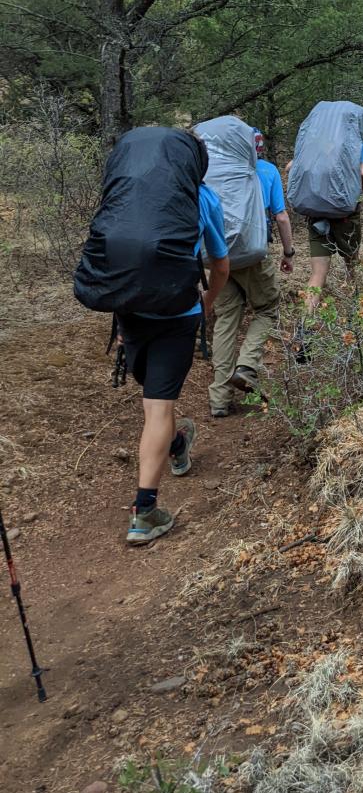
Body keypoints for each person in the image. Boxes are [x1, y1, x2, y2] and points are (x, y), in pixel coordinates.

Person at [120, 137, 230, 545]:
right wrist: (207, 302)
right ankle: (145, 513)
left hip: (129, 310)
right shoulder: (202, 198)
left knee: (154, 400)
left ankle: (177, 441)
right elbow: (220, 263)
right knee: (157, 407)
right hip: (178, 313)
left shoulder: (125, 192)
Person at [206, 129, 295, 417]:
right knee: (268, 308)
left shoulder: (210, 172)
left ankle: (219, 399)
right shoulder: (266, 170)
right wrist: (288, 252)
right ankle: (246, 367)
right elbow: (280, 216)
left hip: (217, 256)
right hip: (252, 254)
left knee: (226, 319)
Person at [287, 114, 363, 311]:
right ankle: (357, 314)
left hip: (316, 213)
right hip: (345, 214)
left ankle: (305, 324)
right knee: (352, 265)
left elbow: (290, 167)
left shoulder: (323, 145)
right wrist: (358, 190)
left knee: (317, 275)